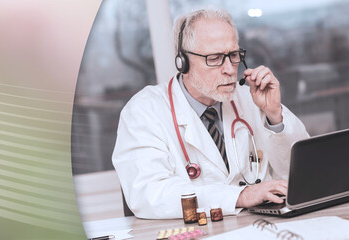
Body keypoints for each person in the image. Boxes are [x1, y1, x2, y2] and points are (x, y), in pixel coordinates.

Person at [112, 8, 309, 219]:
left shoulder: (252, 98)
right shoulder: (144, 111)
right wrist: (239, 195)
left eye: (233, 55)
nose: (230, 69)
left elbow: (302, 175)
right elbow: (148, 193)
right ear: (183, 62)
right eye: (214, 58)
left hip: (259, 227)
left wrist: (274, 116)